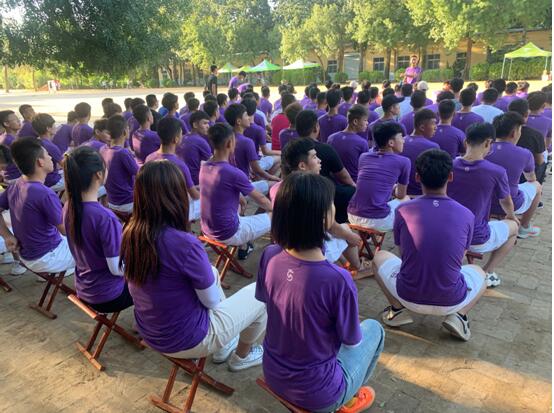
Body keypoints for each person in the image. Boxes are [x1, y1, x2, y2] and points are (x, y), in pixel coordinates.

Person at [257, 172, 384, 413]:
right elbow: (351, 340)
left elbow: (268, 302)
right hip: (318, 393)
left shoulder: (270, 255)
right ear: (324, 219)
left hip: (273, 372)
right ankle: (347, 398)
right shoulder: (337, 279)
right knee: (375, 329)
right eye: (331, 204)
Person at [123, 160, 266, 370]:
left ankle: (225, 344)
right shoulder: (184, 243)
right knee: (261, 292)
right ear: (177, 196)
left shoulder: (130, 233)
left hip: (151, 330)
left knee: (212, 272)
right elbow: (211, 302)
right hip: (187, 339)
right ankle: (242, 356)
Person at [373, 149, 485, 341]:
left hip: (407, 294)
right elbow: (459, 258)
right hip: (452, 299)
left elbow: (404, 253)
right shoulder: (466, 214)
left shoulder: (402, 209)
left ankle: (397, 310)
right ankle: (459, 316)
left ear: (417, 177)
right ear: (450, 176)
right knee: (479, 272)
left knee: (379, 256)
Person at [272, 138, 365, 275]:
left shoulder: (277, 188)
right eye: (315, 157)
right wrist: (351, 237)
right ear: (302, 165)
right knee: (346, 230)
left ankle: (346, 263)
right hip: (311, 247)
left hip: (287, 244)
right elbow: (330, 225)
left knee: (341, 232)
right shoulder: (318, 190)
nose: (319, 160)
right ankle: (357, 267)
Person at [448, 123, 518, 288]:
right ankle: (487, 272)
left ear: (466, 142)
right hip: (476, 237)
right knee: (514, 228)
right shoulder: (496, 171)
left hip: (448, 232)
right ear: (488, 143)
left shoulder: (448, 165)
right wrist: (511, 216)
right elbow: (506, 201)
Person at [63, 146, 133, 312]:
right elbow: (116, 269)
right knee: (158, 275)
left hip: (85, 289)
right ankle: (148, 321)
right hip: (109, 296)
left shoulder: (68, 206)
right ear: (99, 175)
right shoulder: (104, 217)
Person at [0, 137, 75, 276]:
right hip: (48, 257)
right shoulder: (44, 194)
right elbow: (66, 230)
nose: (51, 158)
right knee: (97, 246)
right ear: (40, 162)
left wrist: (7, 236)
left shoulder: (16, 184)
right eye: (47, 155)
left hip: (27, 255)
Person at [200, 123, 272, 259]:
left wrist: (242, 201)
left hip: (207, 229)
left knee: (240, 205)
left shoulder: (205, 166)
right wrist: (275, 209)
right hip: (229, 233)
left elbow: (223, 189)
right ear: (230, 143)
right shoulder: (233, 173)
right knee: (276, 215)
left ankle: (245, 245)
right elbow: (262, 200)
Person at [348, 122, 410, 233]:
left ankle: (368, 237)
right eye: (401, 137)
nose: (404, 141)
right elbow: (401, 195)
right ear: (391, 143)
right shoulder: (404, 162)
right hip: (378, 220)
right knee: (406, 199)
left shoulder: (363, 157)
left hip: (352, 215)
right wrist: (394, 188)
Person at [487, 112, 541, 238]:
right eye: (520, 130)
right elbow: (531, 178)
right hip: (511, 203)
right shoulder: (524, 154)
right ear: (514, 133)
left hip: (484, 201)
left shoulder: (484, 149)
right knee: (537, 185)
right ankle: (524, 227)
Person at [296, 110, 355, 224]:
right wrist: (353, 186)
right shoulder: (324, 148)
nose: (318, 160)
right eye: (314, 157)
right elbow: (343, 175)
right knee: (350, 192)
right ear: (316, 127)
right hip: (319, 190)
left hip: (303, 187)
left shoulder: (290, 146)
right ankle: (340, 221)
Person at [145, 117, 201, 221]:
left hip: (156, 207)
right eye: (181, 134)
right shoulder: (179, 165)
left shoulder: (149, 158)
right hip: (174, 211)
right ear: (176, 139)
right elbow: (195, 196)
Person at [224, 104, 279, 192]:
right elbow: (257, 170)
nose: (249, 118)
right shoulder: (246, 141)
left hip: (230, 183)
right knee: (276, 184)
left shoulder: (226, 138)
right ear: (238, 121)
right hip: (242, 186)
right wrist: (272, 177)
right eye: (246, 115)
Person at [100, 115, 139, 214]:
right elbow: (140, 173)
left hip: (112, 200)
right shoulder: (122, 153)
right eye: (128, 128)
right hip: (127, 202)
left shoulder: (103, 149)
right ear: (125, 132)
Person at [401, 109, 439, 196]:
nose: (436, 127)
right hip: (420, 195)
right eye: (433, 123)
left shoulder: (400, 142)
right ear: (422, 127)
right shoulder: (433, 147)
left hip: (398, 194)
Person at [328, 105, 369, 182]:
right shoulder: (362, 143)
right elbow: (365, 169)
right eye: (365, 120)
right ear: (355, 121)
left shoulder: (331, 138)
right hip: (353, 183)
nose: (367, 123)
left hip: (333, 183)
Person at [509, 99, 547, 184]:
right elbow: (540, 161)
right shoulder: (535, 135)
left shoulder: (497, 130)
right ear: (526, 114)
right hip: (524, 179)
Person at [241, 99, 281, 173]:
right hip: (253, 164)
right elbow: (265, 151)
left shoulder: (239, 127)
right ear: (255, 110)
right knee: (280, 157)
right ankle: (267, 177)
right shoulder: (258, 128)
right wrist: (281, 152)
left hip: (244, 162)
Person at [176, 111, 212, 186]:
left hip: (181, 179)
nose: (208, 126)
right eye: (204, 123)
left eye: (208, 123)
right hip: (196, 182)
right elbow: (212, 162)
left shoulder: (183, 137)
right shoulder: (200, 141)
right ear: (195, 125)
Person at [32, 114, 65, 192]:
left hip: (39, 179)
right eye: (54, 125)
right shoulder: (50, 146)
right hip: (51, 181)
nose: (56, 127)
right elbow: (65, 165)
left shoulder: (36, 141)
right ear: (48, 128)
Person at [0, 110, 23, 183]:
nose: (19, 121)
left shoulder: (6, 137)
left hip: (11, 176)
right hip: (15, 177)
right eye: (15, 120)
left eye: (18, 118)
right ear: (6, 124)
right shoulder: (10, 141)